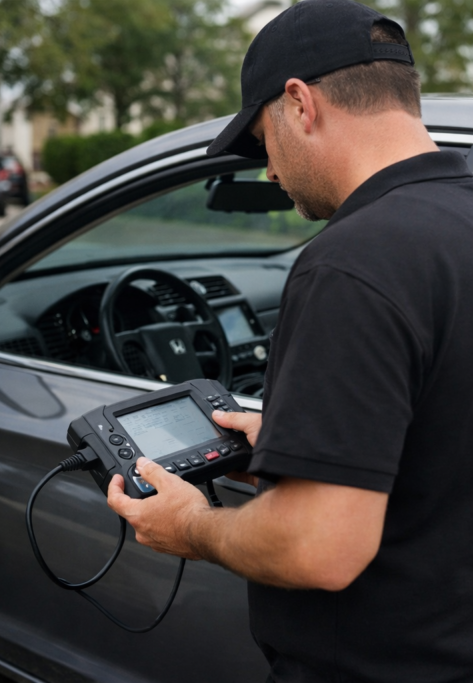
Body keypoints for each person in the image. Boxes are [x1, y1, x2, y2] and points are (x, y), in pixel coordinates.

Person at [106, 1, 473, 680]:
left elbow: (318, 547)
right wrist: (304, 445)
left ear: (300, 103)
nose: (270, 172)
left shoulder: (351, 263)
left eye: (262, 141)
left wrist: (190, 526)